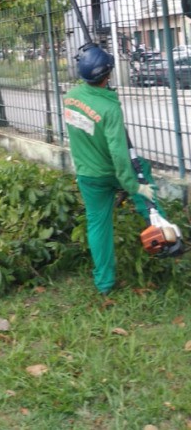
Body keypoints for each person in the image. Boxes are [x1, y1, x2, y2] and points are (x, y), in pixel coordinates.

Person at [63, 44, 158, 295]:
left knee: (98, 225)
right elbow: (119, 154)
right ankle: (159, 228)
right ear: (107, 76)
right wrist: (132, 185)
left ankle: (104, 283)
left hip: (86, 174)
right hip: (110, 172)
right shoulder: (110, 109)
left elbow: (84, 126)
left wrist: (106, 94)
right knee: (143, 176)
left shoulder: (70, 97)